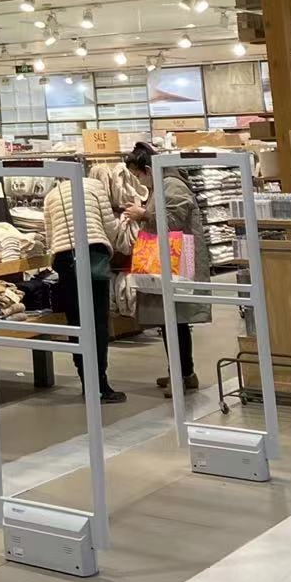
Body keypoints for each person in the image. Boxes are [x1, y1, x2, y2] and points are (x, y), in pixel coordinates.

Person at [38, 172, 140, 402]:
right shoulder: (94, 186)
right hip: (94, 254)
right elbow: (110, 228)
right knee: (98, 321)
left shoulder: (51, 195)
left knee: (77, 322)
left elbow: (50, 236)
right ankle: (101, 384)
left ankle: (86, 381)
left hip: (65, 259)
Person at [126, 142, 211, 395]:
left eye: (138, 174)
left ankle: (181, 376)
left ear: (147, 168)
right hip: (169, 260)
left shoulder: (171, 185)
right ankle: (183, 372)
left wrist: (143, 214)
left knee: (174, 320)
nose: (138, 179)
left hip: (176, 262)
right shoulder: (162, 185)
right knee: (171, 321)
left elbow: (173, 220)